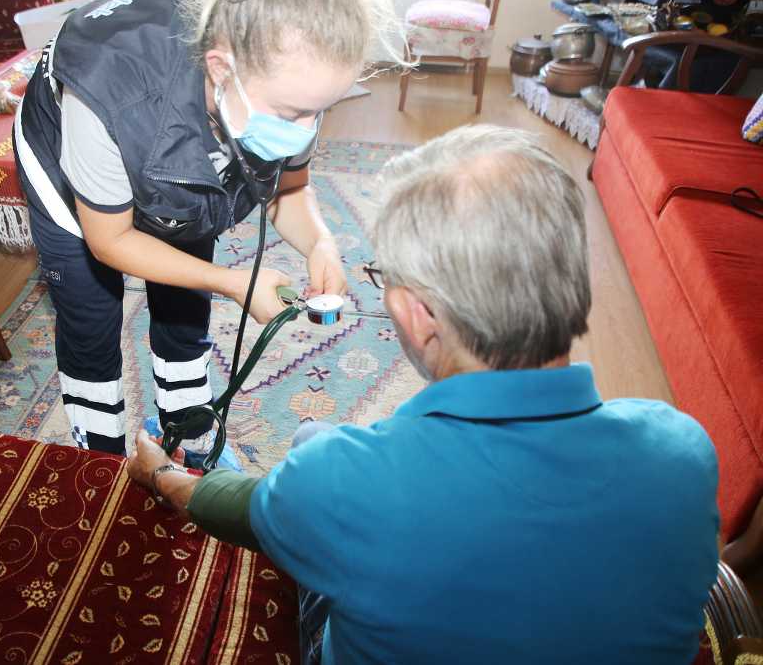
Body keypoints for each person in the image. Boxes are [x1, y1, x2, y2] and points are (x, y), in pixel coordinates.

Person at [128, 125, 721, 664]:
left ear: (417, 314)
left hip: (325, 506)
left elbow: (237, 512)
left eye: (385, 281)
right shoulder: (684, 452)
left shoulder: (344, 479)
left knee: (310, 453)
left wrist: (163, 478)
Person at [13, 0, 404, 459]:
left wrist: (320, 242)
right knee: (91, 318)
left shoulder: (284, 89)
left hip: (173, 157)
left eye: (318, 112)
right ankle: (99, 456)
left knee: (185, 297)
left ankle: (189, 422)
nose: (303, 131)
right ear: (221, 69)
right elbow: (110, 240)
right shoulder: (107, 93)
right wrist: (231, 282)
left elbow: (291, 188)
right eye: (290, 113)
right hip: (66, 159)